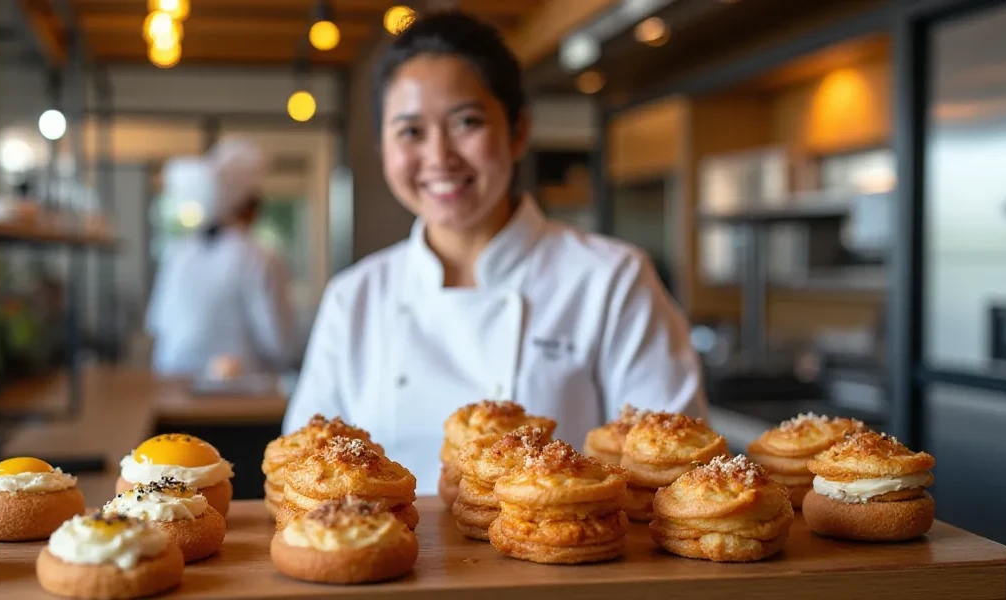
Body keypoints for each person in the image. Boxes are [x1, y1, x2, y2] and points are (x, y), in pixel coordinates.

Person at [283, 11, 707, 494]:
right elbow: (303, 472)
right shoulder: (354, 296)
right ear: (383, 147)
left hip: (556, 542)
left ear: (518, 131)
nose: (439, 157)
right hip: (382, 542)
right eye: (411, 131)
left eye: (467, 122)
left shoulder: (612, 279)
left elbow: (672, 467)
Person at [145, 137, 300, 378]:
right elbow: (281, 343)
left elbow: (158, 325)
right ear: (250, 205)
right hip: (238, 391)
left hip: (170, 382)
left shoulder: (179, 252)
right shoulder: (260, 257)